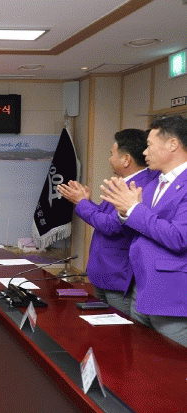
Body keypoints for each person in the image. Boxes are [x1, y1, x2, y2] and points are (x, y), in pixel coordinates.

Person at [100, 116, 187, 346]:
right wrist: (124, 212)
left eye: (149, 145)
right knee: (140, 356)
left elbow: (179, 238)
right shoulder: (156, 182)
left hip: (172, 293)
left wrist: (133, 209)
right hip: (143, 285)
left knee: (174, 361)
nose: (145, 152)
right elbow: (139, 222)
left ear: (172, 144)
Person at [57, 129, 157, 315]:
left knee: (119, 326)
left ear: (126, 159)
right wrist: (86, 202)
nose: (110, 159)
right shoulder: (126, 182)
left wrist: (81, 202)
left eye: (112, 154)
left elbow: (111, 226)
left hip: (118, 272)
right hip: (106, 272)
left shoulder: (138, 185)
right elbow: (107, 218)